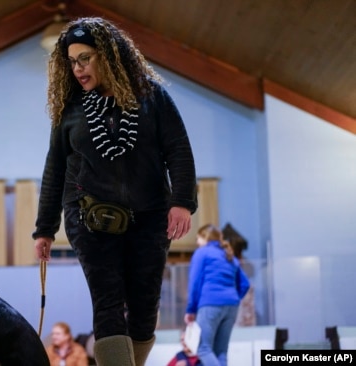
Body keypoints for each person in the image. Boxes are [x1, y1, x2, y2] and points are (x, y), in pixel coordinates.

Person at [33, 17, 198, 366]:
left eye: (85, 58)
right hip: (88, 217)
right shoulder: (70, 110)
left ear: (108, 56)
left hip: (151, 216)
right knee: (107, 302)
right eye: (72, 61)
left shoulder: (153, 97)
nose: (77, 69)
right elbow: (55, 168)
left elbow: (178, 149)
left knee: (143, 306)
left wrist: (182, 201)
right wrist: (45, 228)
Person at [184, 224, 251, 366]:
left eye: (198, 238)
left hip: (210, 303)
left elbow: (195, 282)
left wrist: (190, 309)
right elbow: (245, 284)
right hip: (232, 306)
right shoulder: (230, 256)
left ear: (204, 237)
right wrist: (233, 298)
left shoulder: (202, 253)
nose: (197, 242)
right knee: (221, 352)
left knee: (203, 349)